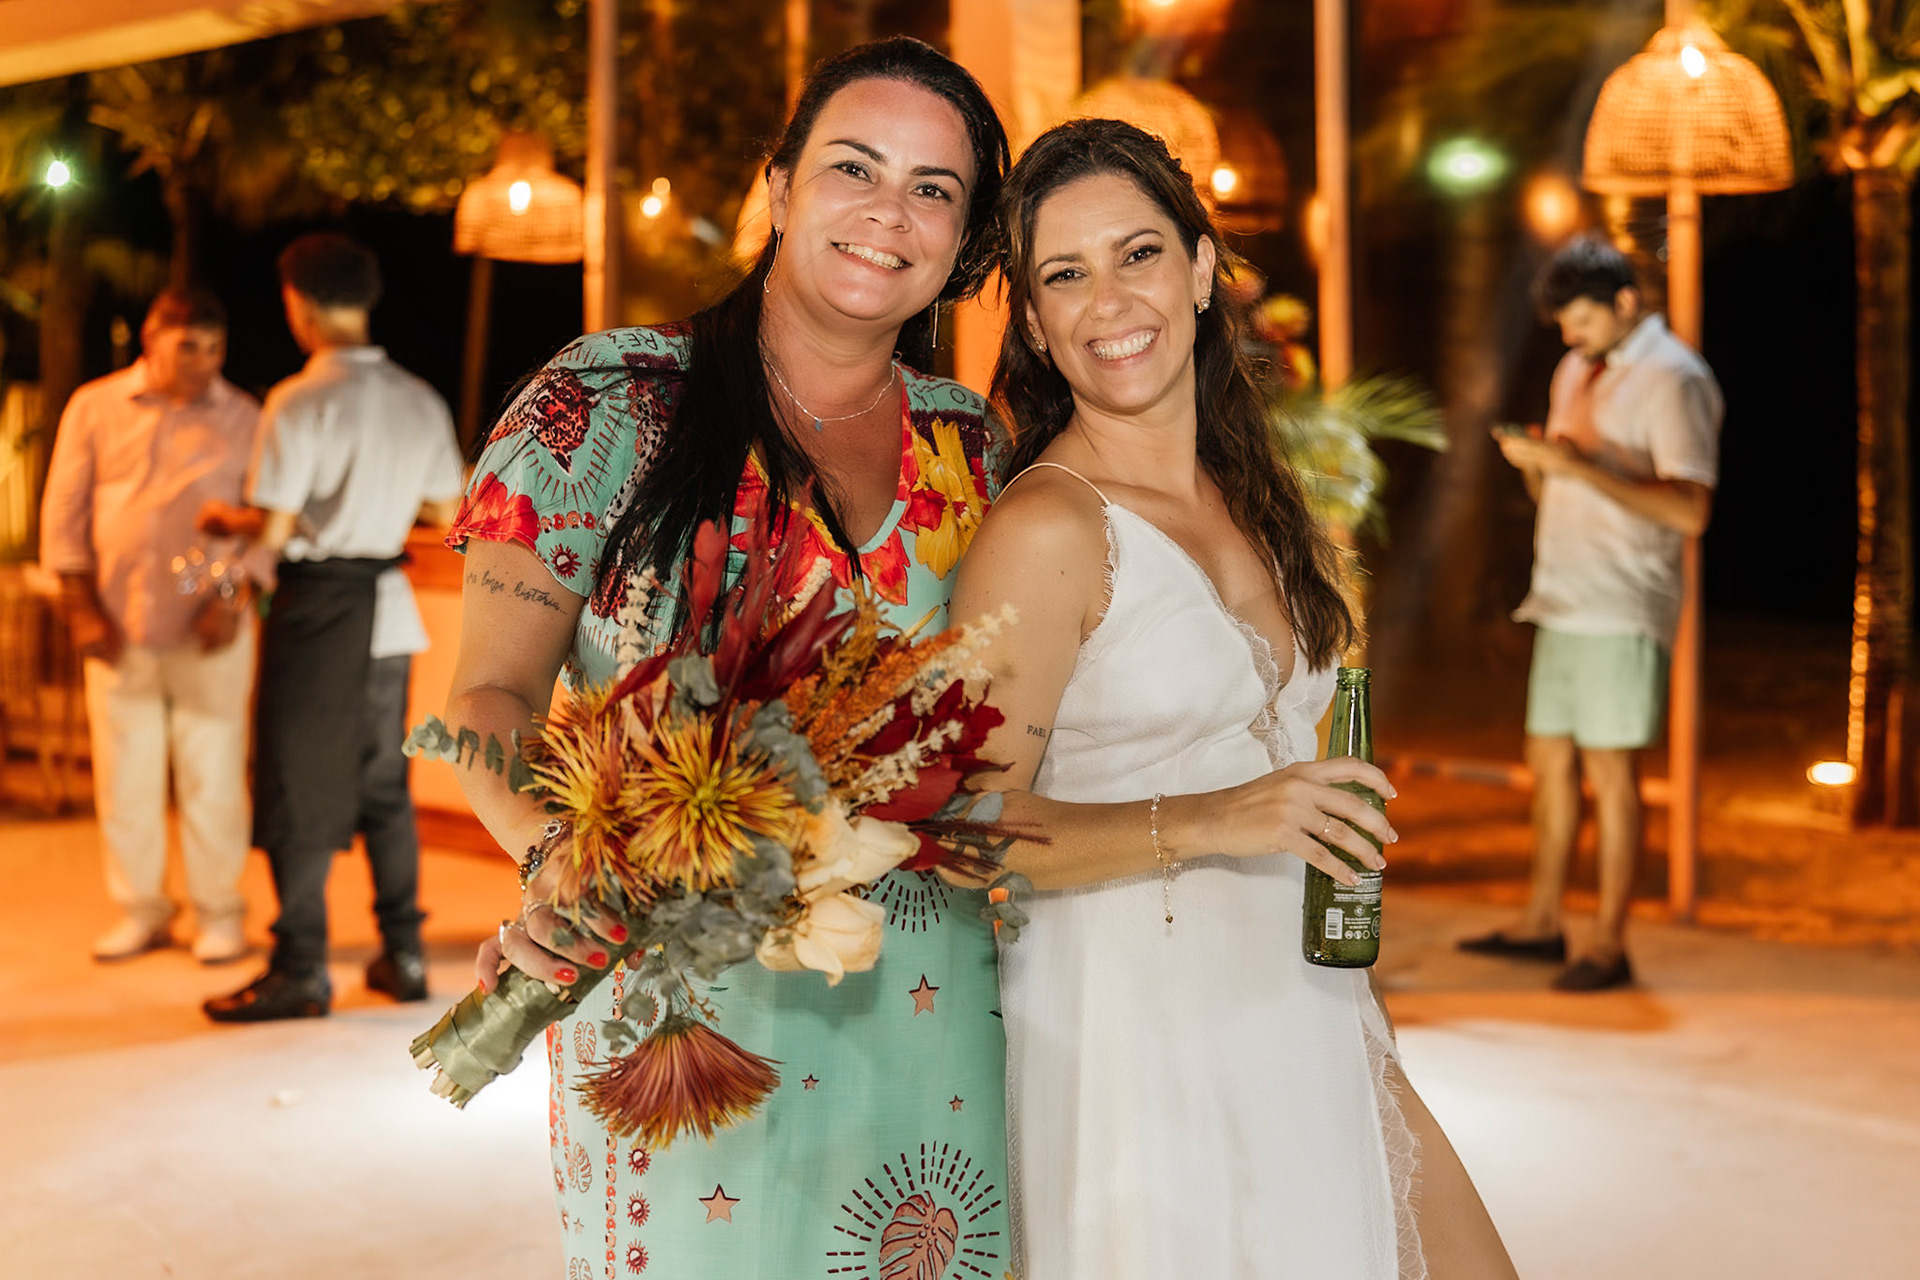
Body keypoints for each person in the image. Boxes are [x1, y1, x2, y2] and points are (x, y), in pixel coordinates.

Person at [440, 38, 1013, 1274]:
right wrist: (555, 854)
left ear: (963, 242)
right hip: (677, 1005)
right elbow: (486, 696)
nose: (886, 213)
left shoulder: (976, 444)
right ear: (778, 188)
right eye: (854, 167)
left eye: (933, 189)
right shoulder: (604, 404)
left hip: (941, 995)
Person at [949, 118, 1517, 1279]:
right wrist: (1219, 815)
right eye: (1066, 275)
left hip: (1303, 999)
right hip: (1135, 1038)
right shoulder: (1048, 527)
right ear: (1040, 325)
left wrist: (1364, 1020)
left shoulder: (1255, 494)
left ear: (1202, 271)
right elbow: (964, 832)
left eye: (1139, 253)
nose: (1110, 298)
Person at [202, 233, 464, 1022]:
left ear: (300, 304)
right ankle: (404, 955)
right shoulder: (419, 398)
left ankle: (300, 968)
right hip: (386, 605)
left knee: (295, 781)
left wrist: (231, 525)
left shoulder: (300, 398)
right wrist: (373, 508)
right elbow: (449, 512)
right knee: (384, 785)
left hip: (317, 609)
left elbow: (276, 531)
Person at [1458, 236, 1722, 992]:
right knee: (1548, 765)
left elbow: (1692, 510)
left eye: (1580, 322)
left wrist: (1581, 466)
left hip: (1624, 598)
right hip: (1563, 592)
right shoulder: (1578, 367)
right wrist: (1547, 466)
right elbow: (1569, 481)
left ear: (1627, 303)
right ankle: (1543, 922)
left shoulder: (1676, 380)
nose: (1568, 340)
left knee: (1611, 772)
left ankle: (1608, 942)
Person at [39, 288, 260, 965]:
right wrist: (79, 607)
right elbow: (64, 508)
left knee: (214, 770)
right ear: (152, 339)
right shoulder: (95, 406)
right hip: (117, 621)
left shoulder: (245, 415)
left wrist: (230, 597)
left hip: (212, 622)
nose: (203, 362)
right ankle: (141, 909)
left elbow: (267, 518)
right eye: (188, 346)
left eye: (216, 348)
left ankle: (219, 912)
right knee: (125, 774)